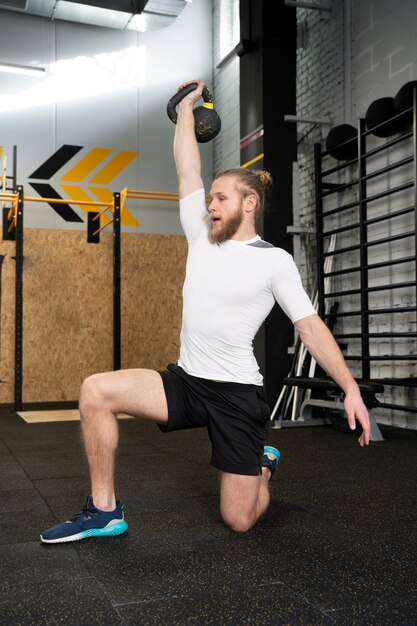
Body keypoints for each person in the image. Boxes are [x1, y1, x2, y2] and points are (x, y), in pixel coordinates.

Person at [40, 80, 371, 544]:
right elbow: (186, 166)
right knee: (96, 392)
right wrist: (186, 110)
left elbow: (310, 327)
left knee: (239, 520)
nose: (210, 204)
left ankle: (262, 465)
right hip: (188, 381)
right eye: (210, 198)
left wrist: (350, 389)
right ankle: (103, 512)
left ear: (248, 203)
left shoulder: (273, 261)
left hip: (237, 396)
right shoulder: (200, 234)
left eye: (221, 198)